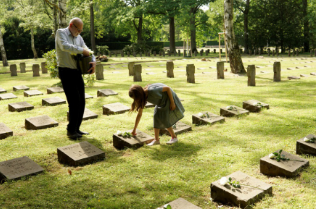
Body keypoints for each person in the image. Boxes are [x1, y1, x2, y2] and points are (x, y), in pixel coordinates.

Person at [55, 17, 96, 139]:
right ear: (71, 25)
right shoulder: (60, 33)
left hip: (76, 71)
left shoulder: (79, 37)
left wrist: (93, 60)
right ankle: (71, 130)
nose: (79, 32)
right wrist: (82, 51)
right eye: (78, 29)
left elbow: (88, 50)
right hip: (66, 71)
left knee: (81, 101)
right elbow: (65, 46)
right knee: (74, 101)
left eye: (81, 30)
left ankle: (77, 128)